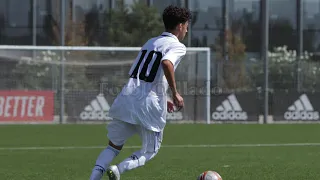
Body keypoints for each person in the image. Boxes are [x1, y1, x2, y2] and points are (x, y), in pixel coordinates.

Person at [89, 5, 192, 180]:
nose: (187, 31)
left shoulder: (150, 42)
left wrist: (165, 95)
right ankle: (119, 170)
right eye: (187, 26)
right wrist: (175, 93)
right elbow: (167, 63)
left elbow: (145, 75)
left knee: (113, 147)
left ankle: (93, 178)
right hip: (149, 104)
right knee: (150, 151)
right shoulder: (178, 46)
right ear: (181, 26)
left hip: (128, 97)